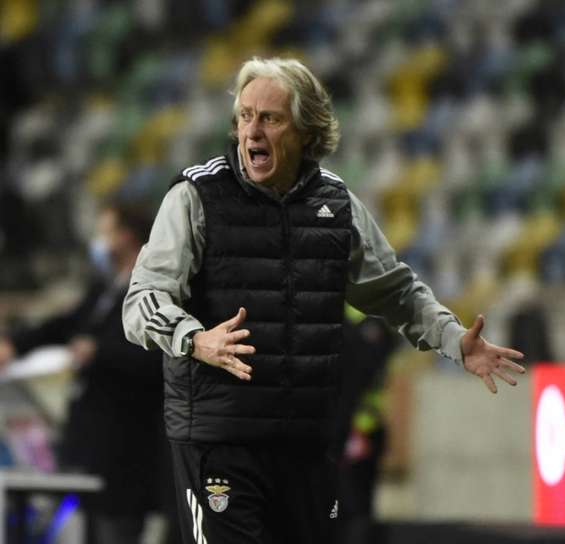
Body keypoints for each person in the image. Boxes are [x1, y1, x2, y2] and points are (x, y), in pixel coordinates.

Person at [122, 56, 526, 544]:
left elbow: (394, 290)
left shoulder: (337, 205)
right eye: (245, 116)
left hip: (306, 444)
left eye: (270, 118)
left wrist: (455, 340)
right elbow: (142, 300)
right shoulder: (194, 198)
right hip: (219, 439)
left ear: (306, 131)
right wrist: (194, 340)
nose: (252, 131)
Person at [0, 201, 179, 544]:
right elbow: (66, 324)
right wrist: (15, 346)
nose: (99, 240)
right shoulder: (105, 288)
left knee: (116, 532)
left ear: (126, 236)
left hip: (127, 451)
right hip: (92, 446)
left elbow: (156, 356)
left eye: (106, 231)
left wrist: (99, 352)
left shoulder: (157, 291)